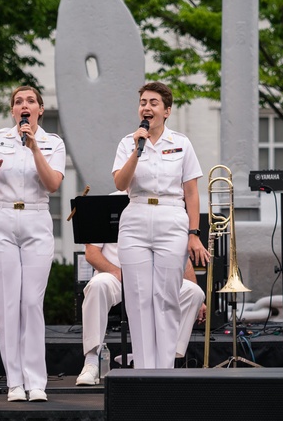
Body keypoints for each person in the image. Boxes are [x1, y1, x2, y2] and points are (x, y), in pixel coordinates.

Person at [111, 81, 209, 369]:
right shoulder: (128, 142)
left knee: (166, 299)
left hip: (171, 217)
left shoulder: (181, 143)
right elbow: (120, 183)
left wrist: (194, 233)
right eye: (143, 102)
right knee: (139, 299)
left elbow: (191, 192)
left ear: (166, 110)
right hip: (136, 215)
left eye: (153, 103)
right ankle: (143, 369)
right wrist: (136, 151)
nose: (147, 107)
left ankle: (164, 371)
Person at [0, 86, 65, 403]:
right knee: (7, 303)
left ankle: (36, 380)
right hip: (0, 218)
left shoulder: (53, 142)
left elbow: (53, 184)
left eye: (29, 101)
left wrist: (35, 148)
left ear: (39, 109)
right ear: (13, 111)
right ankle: (14, 381)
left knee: (31, 302)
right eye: (18, 102)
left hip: (36, 218)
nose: (23, 106)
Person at [75, 241, 206, 385]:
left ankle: (165, 360)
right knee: (97, 285)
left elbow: (181, 256)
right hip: (116, 275)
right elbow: (92, 253)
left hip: (155, 279)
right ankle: (91, 362)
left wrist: (200, 300)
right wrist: (117, 272)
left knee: (194, 292)